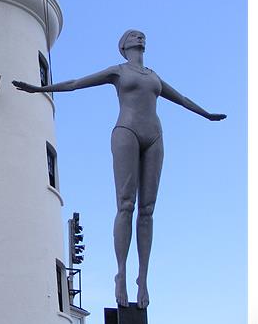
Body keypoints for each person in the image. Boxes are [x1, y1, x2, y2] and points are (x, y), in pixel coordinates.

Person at [12, 29, 226, 308]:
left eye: (142, 35)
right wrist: (39, 89)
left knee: (147, 210)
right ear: (124, 45)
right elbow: (77, 83)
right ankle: (121, 274)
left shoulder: (154, 76)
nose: (141, 38)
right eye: (134, 36)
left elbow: (182, 99)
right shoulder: (118, 71)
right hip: (126, 132)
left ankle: (143, 278)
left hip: (155, 136)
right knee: (126, 204)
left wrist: (206, 114)